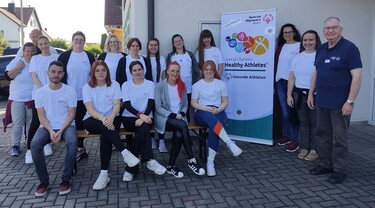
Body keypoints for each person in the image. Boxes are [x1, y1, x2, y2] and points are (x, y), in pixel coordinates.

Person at [307, 17, 362, 184]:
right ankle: (326, 164)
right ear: (323, 31)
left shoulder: (349, 48)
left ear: (341, 29)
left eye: (334, 28)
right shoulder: (321, 49)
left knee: (340, 138)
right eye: (327, 28)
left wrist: (350, 101)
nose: (330, 31)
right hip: (321, 101)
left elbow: (357, 76)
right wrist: (311, 93)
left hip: (340, 104)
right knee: (322, 134)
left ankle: (339, 170)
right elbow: (316, 72)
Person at [82, 60, 140, 190]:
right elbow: (90, 109)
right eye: (97, 70)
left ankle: (104, 174)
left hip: (113, 118)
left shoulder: (114, 85)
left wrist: (111, 117)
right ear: (93, 72)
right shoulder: (87, 87)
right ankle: (125, 153)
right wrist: (103, 118)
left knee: (105, 135)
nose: (101, 73)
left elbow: (116, 105)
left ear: (107, 71)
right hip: (93, 119)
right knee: (105, 127)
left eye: (103, 70)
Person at [31, 61, 77, 197]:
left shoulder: (70, 91)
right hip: (47, 126)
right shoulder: (40, 93)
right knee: (34, 145)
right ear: (47, 73)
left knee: (72, 143)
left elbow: (71, 114)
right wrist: (51, 131)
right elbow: (41, 116)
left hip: (67, 125)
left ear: (63, 74)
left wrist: (61, 130)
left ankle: (66, 180)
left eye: (59, 72)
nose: (56, 75)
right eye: (53, 71)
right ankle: (43, 182)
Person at [191, 61, 242, 176]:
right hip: (201, 112)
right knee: (211, 119)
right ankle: (229, 142)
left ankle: (210, 162)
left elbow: (225, 102)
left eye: (211, 69)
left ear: (214, 71)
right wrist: (205, 108)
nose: (208, 71)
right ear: (203, 71)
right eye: (206, 69)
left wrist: (218, 110)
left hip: (218, 111)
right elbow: (193, 103)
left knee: (214, 127)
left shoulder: (221, 84)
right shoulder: (197, 85)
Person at [154, 61, 205, 178]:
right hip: (164, 119)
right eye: (172, 70)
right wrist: (173, 115)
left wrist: (181, 113)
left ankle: (171, 166)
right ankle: (192, 160)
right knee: (182, 126)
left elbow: (186, 104)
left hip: (180, 118)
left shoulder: (182, 85)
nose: (175, 73)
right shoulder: (160, 86)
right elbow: (158, 108)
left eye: (177, 71)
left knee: (179, 134)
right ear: (167, 71)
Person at [121, 61, 166, 182]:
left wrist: (144, 116)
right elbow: (127, 105)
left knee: (143, 130)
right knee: (144, 129)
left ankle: (131, 168)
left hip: (146, 117)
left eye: (139, 69)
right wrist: (141, 116)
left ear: (143, 70)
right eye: (134, 70)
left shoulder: (150, 84)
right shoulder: (126, 85)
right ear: (131, 72)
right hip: (129, 118)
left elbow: (151, 103)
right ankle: (150, 159)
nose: (137, 72)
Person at [58, 31, 95, 160]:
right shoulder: (64, 56)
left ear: (84, 42)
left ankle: (80, 147)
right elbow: (60, 75)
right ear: (72, 41)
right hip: (70, 95)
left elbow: (94, 75)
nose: (78, 42)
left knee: (82, 123)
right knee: (71, 122)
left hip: (85, 96)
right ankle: (74, 147)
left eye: (81, 40)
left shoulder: (89, 56)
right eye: (76, 39)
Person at [287, 30, 321, 161]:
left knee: (315, 123)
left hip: (315, 95)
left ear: (316, 40)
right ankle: (305, 147)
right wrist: (289, 95)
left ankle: (314, 149)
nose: (308, 42)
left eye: (311, 40)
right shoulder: (297, 57)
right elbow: (291, 77)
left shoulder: (320, 56)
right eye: (305, 40)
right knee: (303, 123)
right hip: (299, 95)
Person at [27, 35, 59, 163]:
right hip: (39, 94)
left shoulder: (55, 57)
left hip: (55, 94)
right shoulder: (35, 59)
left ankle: (47, 144)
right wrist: (44, 90)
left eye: (45, 43)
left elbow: (59, 74)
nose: (43, 46)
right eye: (41, 44)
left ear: (49, 43)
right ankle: (29, 150)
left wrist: (52, 90)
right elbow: (34, 76)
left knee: (51, 119)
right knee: (36, 120)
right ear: (38, 46)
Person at [274, 23, 301, 152]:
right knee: (284, 112)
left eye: (290, 32)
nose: (287, 34)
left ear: (294, 33)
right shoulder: (280, 47)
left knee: (293, 111)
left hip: (294, 83)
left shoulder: (299, 46)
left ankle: (295, 139)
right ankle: (287, 135)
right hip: (280, 82)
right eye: (285, 33)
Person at [5, 42, 35, 157]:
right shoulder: (17, 61)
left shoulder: (36, 62)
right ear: (23, 52)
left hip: (31, 98)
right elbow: (8, 76)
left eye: (32, 51)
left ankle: (30, 144)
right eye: (28, 51)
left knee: (30, 123)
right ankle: (15, 145)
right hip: (17, 98)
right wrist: (18, 68)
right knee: (18, 123)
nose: (30, 53)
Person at [166, 34, 199, 122]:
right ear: (173, 44)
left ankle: (186, 130)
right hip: (176, 88)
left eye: (180, 40)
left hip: (189, 88)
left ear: (183, 41)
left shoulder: (190, 54)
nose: (178, 43)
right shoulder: (171, 56)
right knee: (177, 110)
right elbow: (168, 72)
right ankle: (177, 132)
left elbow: (196, 70)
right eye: (176, 41)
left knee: (187, 110)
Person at [146, 38, 168, 152]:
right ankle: (151, 140)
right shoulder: (144, 59)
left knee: (160, 116)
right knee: (149, 115)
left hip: (159, 91)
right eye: (151, 45)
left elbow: (164, 77)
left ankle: (162, 141)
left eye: (155, 45)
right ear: (148, 46)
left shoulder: (162, 59)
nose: (153, 47)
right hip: (148, 92)